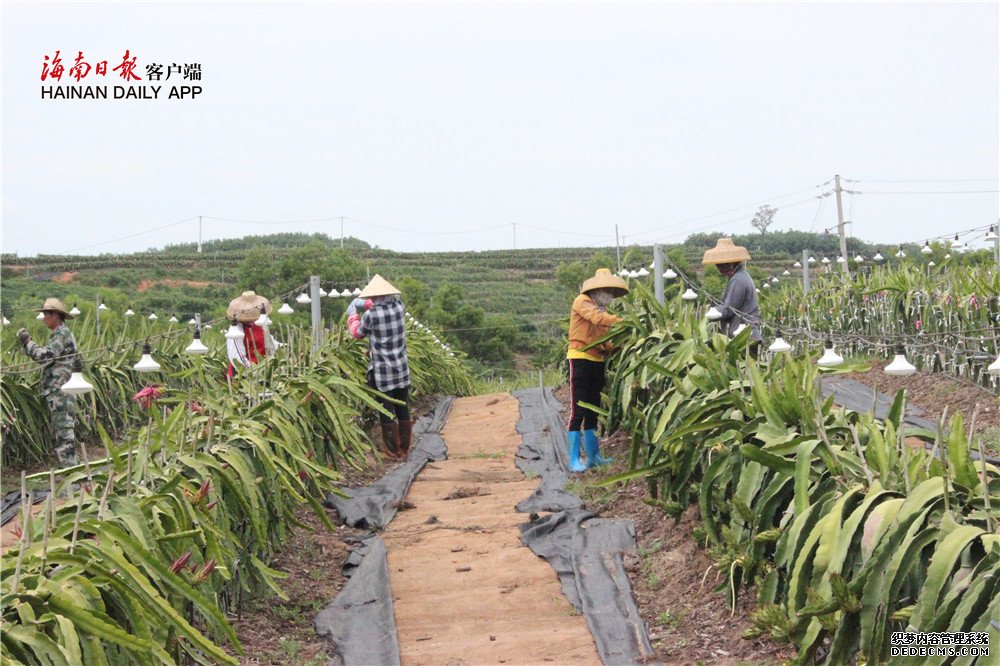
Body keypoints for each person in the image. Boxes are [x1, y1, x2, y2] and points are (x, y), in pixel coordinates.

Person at [566, 268, 629, 472]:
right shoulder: (583, 302)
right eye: (607, 291)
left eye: (612, 292)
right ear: (597, 290)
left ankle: (593, 456)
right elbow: (596, 319)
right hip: (580, 357)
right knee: (579, 409)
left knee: (593, 407)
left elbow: (605, 342)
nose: (609, 296)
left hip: (597, 359)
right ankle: (574, 458)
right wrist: (626, 323)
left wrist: (620, 346)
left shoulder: (603, 312)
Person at [346, 275, 412, 460]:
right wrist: (366, 304)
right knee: (402, 406)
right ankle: (404, 448)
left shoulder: (371, 315)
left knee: (385, 409)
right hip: (401, 366)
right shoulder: (400, 307)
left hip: (383, 370)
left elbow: (358, 333)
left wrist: (353, 315)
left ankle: (392, 451)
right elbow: (380, 306)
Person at [17, 298, 80, 466]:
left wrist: (28, 342)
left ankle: (72, 476)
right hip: (59, 392)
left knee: (64, 435)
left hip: (61, 393)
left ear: (56, 316)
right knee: (60, 434)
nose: (44, 318)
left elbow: (45, 355)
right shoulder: (59, 334)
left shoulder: (62, 334)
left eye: (46, 314)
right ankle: (70, 474)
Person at [702, 238, 762, 352]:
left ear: (732, 262)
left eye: (722, 264)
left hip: (744, 338)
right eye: (717, 265)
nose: (719, 268)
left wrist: (709, 314)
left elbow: (728, 310)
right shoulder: (740, 276)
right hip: (745, 336)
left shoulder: (738, 280)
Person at [225, 291, 278, 377]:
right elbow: (238, 358)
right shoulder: (236, 331)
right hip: (244, 375)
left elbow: (271, 343)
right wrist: (255, 372)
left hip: (264, 371)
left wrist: (284, 349)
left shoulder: (259, 324)